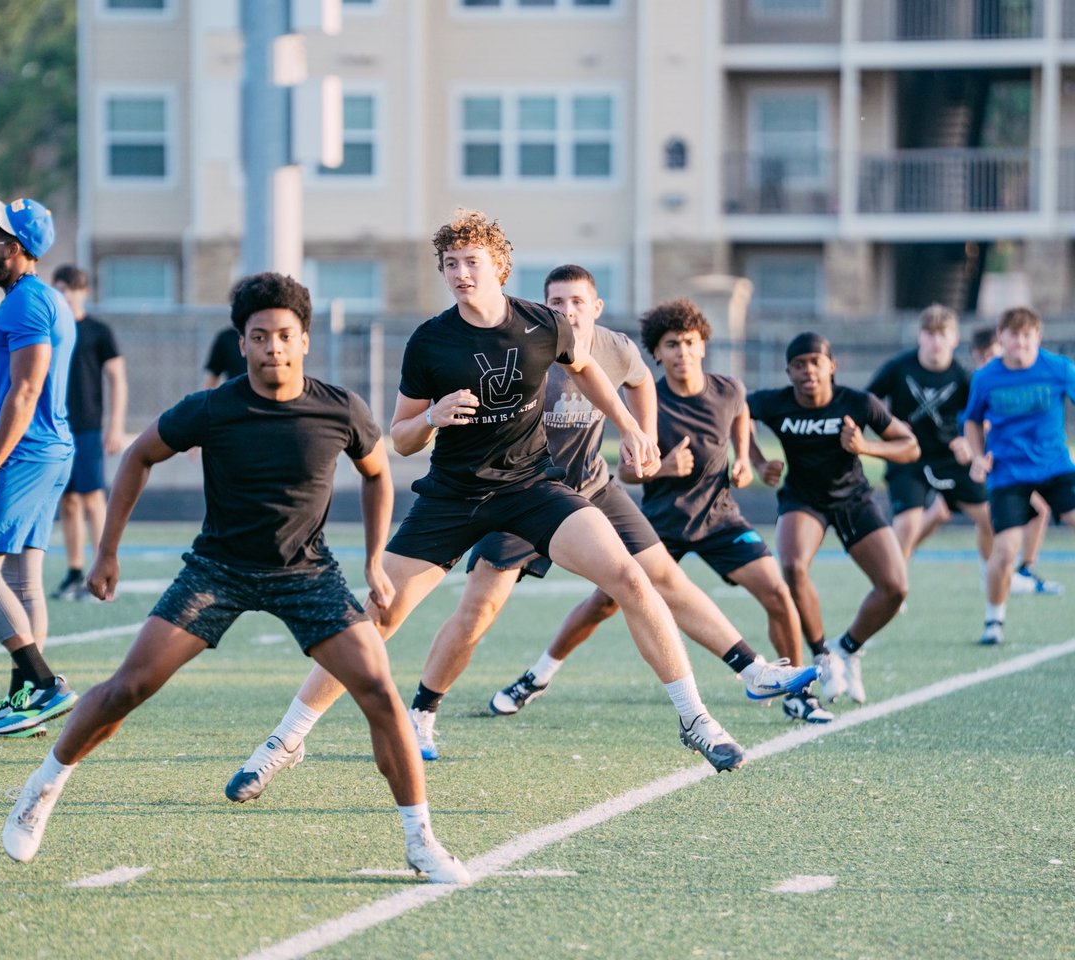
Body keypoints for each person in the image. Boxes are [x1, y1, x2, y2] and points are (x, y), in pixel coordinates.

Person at [226, 209, 746, 807]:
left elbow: (591, 372)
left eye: (472, 262)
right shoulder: (431, 340)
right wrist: (431, 418)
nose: (460, 273)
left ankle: (694, 719)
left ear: (500, 266)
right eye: (450, 264)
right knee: (376, 617)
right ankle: (285, 741)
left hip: (531, 487)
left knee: (630, 576)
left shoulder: (543, 323)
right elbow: (398, 437)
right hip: (454, 496)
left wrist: (629, 425)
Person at [1, 271, 470, 884]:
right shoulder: (212, 409)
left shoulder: (339, 408)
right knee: (128, 688)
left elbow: (379, 475)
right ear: (241, 343)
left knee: (380, 692)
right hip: (217, 572)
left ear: (303, 340)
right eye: (259, 336)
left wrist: (374, 560)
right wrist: (107, 551)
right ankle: (43, 786)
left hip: (307, 575)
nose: (273, 346)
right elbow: (139, 455)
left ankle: (420, 840)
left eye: (284, 335)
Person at [484, 294, 825, 731]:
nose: (681, 352)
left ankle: (795, 694)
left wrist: (749, 461)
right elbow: (628, 471)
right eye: (670, 345)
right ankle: (538, 675)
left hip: (720, 519)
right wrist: (663, 467)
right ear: (657, 354)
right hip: (663, 523)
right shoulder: (649, 399)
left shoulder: (729, 389)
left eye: (688, 342)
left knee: (777, 593)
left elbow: (740, 414)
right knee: (604, 602)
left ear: (702, 344)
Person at [0, 195, 79, 739]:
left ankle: (42, 684)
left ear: (14, 249)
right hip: (48, 449)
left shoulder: (28, 303)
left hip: (24, 452)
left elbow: (26, 390)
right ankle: (27, 700)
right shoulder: (43, 298)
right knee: (21, 576)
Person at [749, 332, 920, 706]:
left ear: (832, 367)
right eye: (799, 364)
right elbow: (736, 412)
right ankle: (822, 655)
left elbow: (910, 445)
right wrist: (758, 461)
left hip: (854, 498)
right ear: (788, 371)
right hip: (803, 498)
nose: (808, 370)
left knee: (895, 587)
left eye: (815, 362)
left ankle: (847, 649)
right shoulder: (775, 403)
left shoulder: (858, 403)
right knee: (792, 567)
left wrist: (865, 447)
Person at [962, 307, 1075, 646]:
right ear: (1002, 337)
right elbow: (970, 421)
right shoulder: (986, 377)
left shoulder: (1058, 368)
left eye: (1028, 336)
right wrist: (978, 456)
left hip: (1055, 468)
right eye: (1014, 335)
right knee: (1006, 550)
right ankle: (993, 620)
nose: (1021, 343)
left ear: (1037, 337)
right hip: (1008, 473)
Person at [866, 305, 994, 579]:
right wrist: (888, 426)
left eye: (942, 334)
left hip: (948, 458)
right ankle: (892, 588)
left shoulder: (962, 377)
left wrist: (969, 443)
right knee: (908, 523)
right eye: (930, 333)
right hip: (906, 456)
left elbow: (985, 418)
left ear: (954, 338)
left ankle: (990, 575)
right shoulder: (899, 368)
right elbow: (866, 403)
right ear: (920, 336)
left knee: (990, 518)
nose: (936, 341)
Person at [49, 264, 128, 601]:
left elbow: (117, 379)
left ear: (83, 292)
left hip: (87, 426)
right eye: (59, 289)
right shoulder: (50, 329)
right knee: (67, 501)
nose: (65, 295)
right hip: (55, 425)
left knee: (93, 498)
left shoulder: (98, 331)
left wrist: (115, 426)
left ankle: (102, 568)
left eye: (70, 289)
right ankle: (74, 571)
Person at [967, 326, 1061, 596]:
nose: (989, 360)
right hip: (981, 464)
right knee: (982, 518)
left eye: (992, 353)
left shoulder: (1008, 378)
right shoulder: (981, 380)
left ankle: (1021, 570)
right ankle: (993, 571)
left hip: (1004, 464)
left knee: (1040, 509)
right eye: (983, 355)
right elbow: (966, 423)